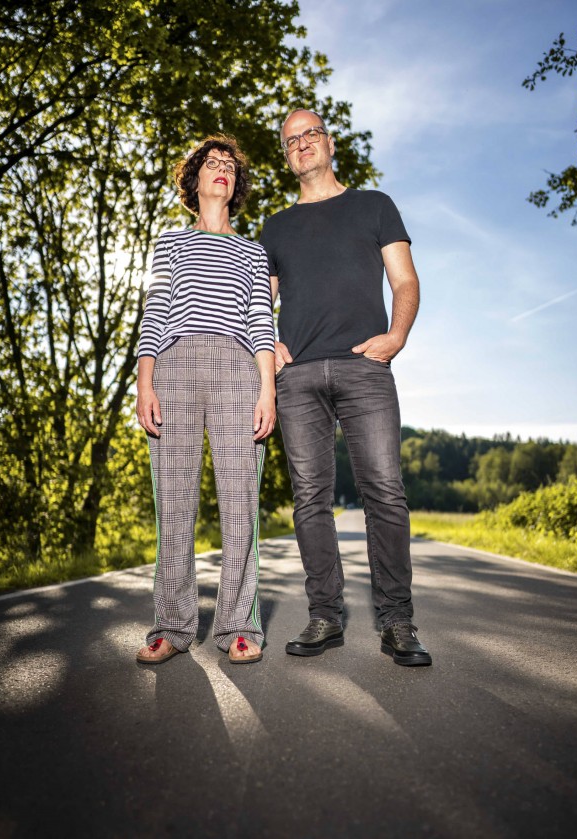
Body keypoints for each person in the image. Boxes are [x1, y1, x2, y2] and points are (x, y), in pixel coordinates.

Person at [259, 109, 431, 666]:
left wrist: (397, 335)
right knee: (310, 499)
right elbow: (259, 297)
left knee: (384, 489)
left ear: (329, 143)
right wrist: (270, 344)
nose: (302, 144)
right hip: (299, 377)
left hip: (365, 369)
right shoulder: (276, 226)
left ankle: (397, 620)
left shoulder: (374, 206)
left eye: (310, 134)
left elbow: (405, 279)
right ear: (287, 157)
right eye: (291, 140)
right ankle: (325, 616)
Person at [136, 135, 276, 665]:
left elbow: (263, 322)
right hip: (173, 367)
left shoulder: (253, 251)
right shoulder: (169, 243)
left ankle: (239, 626)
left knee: (241, 507)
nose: (222, 171)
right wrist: (145, 382)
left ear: (235, 185)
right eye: (212, 164)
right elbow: (154, 314)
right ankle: (172, 626)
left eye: (230, 167)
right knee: (174, 506)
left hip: (238, 370)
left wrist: (268, 389)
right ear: (194, 181)